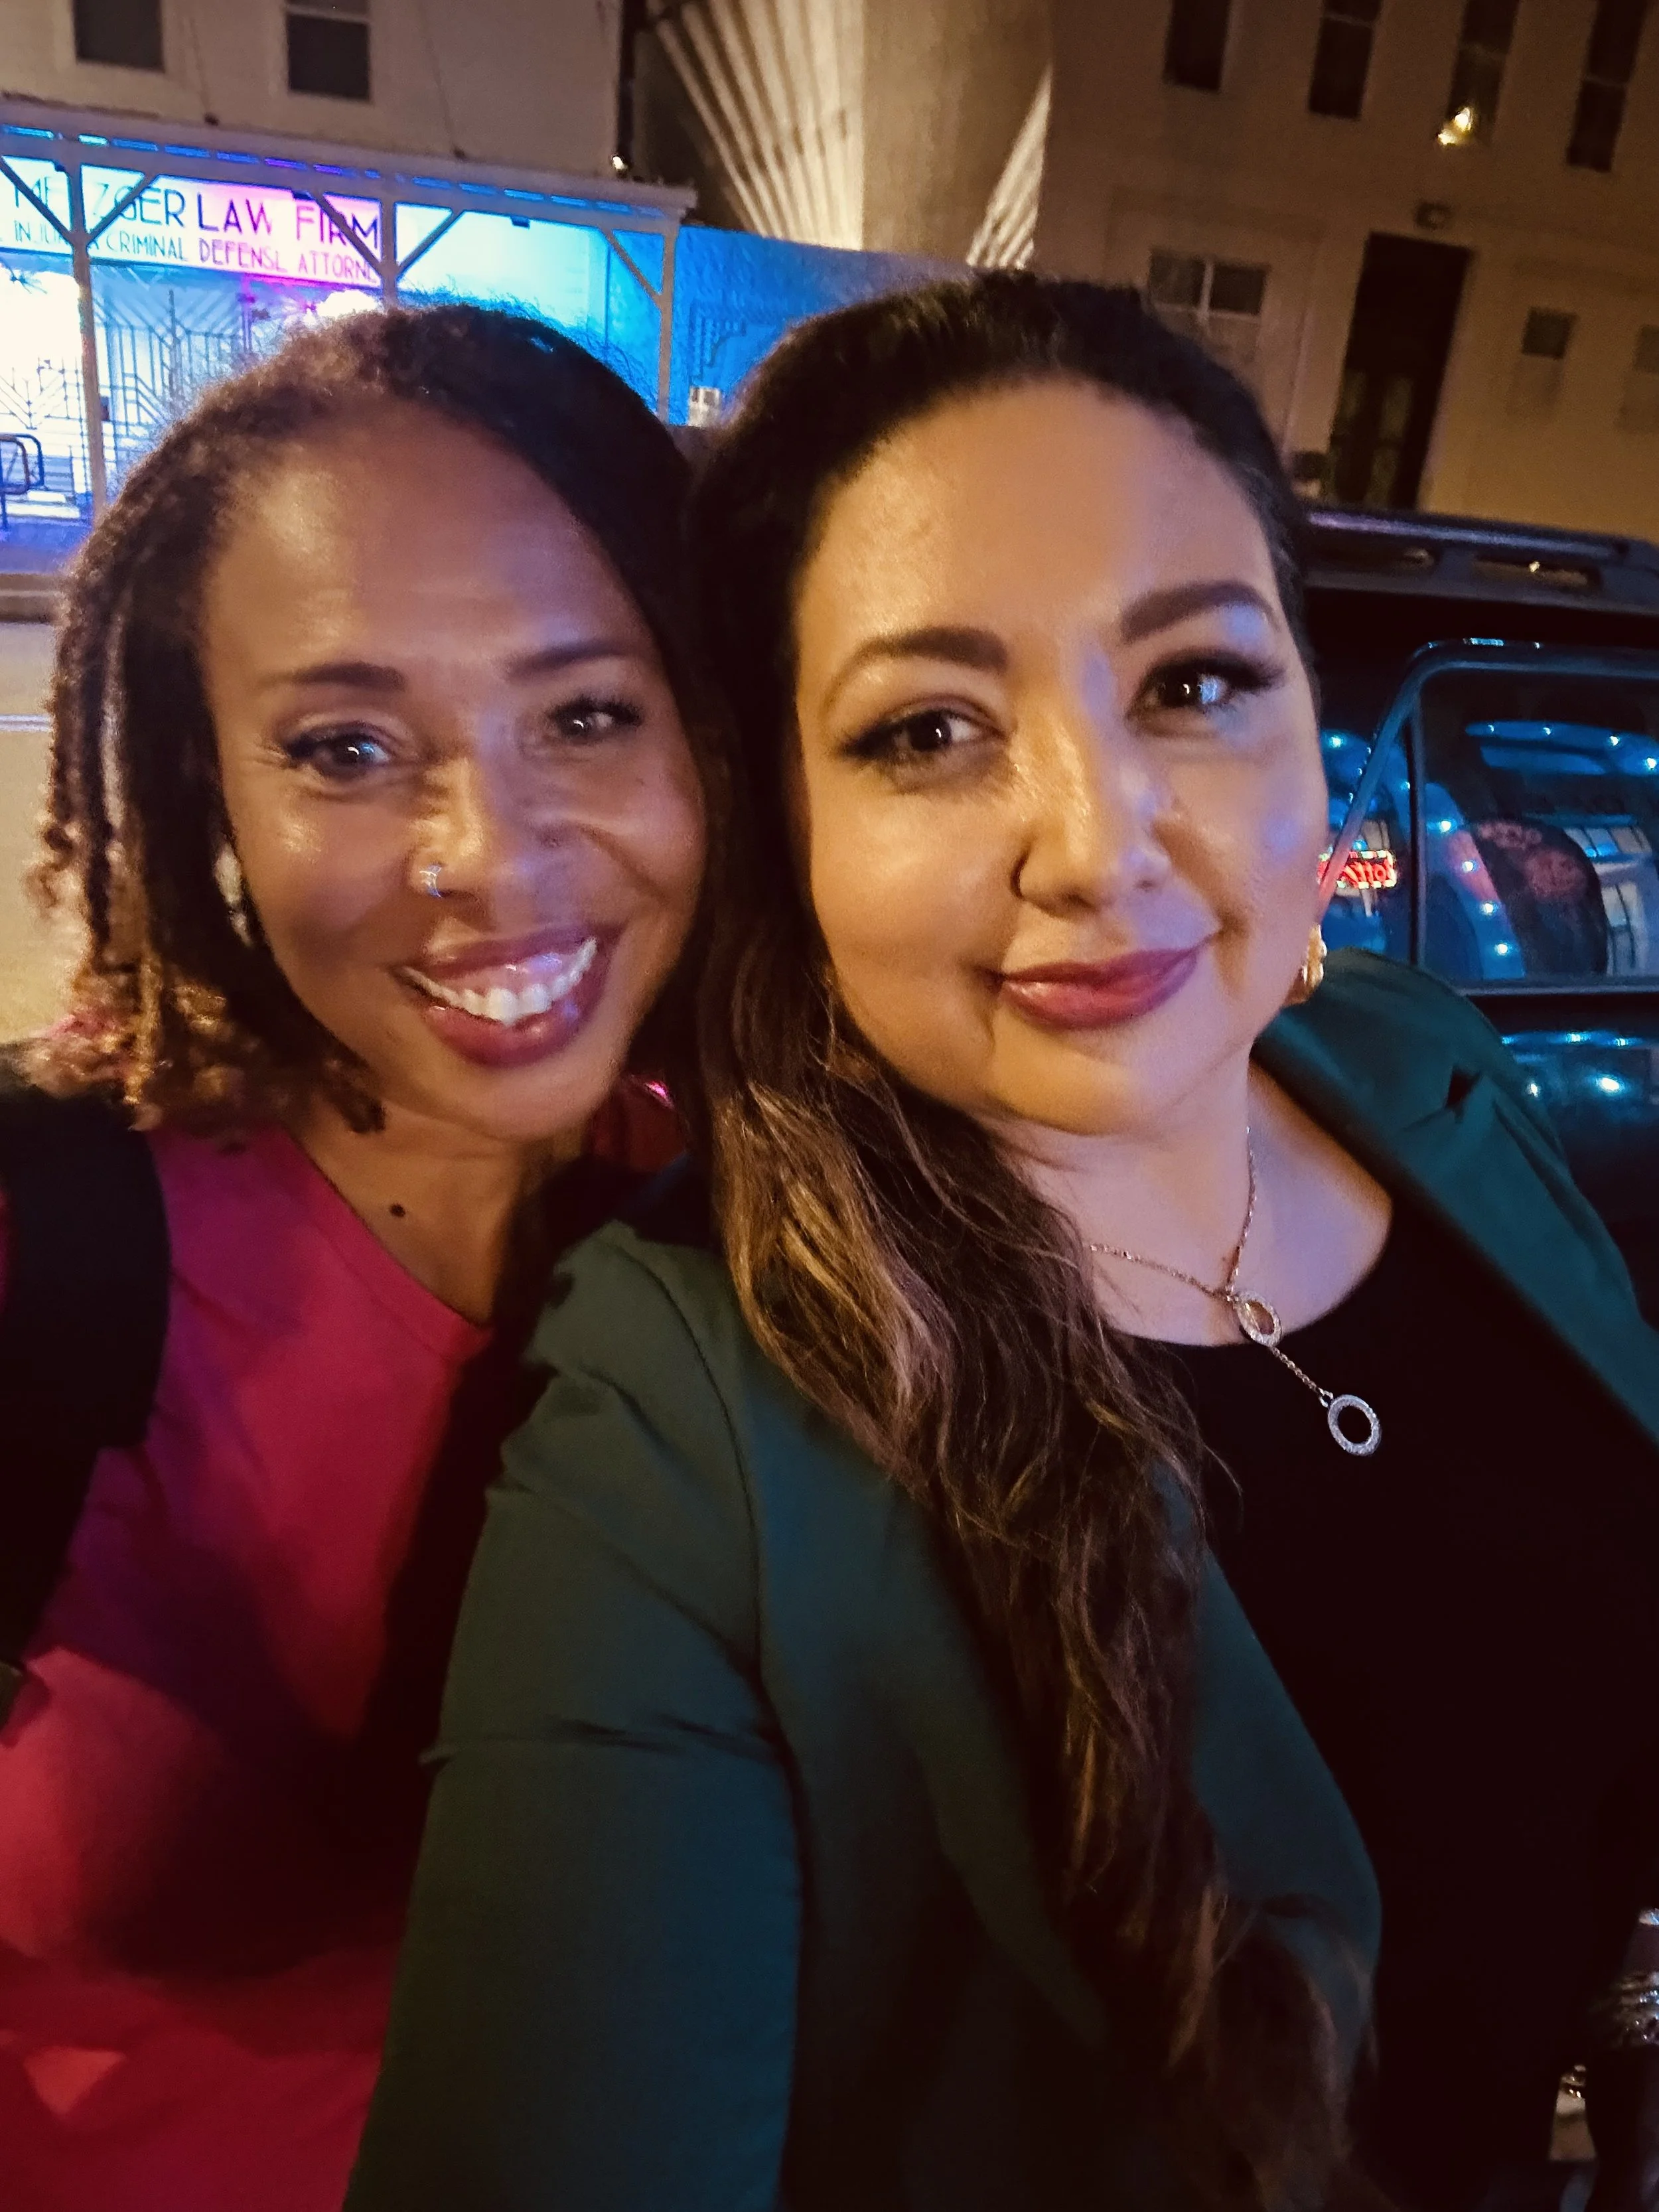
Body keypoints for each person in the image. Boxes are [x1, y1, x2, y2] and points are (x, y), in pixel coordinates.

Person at [350, 276, 1659, 2212]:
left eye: (1194, 683)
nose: (1094, 839)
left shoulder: (1416, 1069)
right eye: (930, 729)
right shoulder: (675, 1423)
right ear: (778, 814)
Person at [0, 304, 706, 2211]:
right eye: (347, 745)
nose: (486, 850)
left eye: (585, 712)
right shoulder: (54, 1239)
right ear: (207, 778)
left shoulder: (763, 1218)